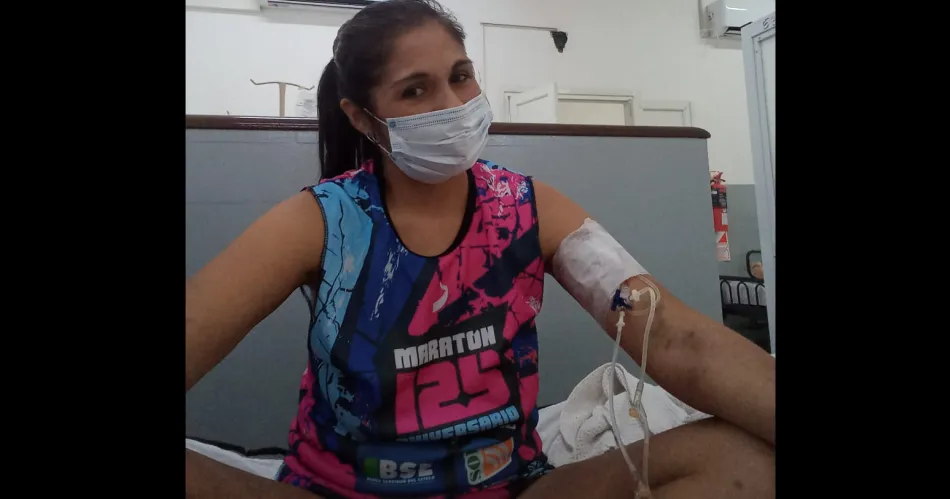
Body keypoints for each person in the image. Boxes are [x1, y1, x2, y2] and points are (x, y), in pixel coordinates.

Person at [184, 1, 775, 498]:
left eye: (461, 76)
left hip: (507, 487)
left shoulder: (530, 208)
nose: (452, 104)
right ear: (362, 118)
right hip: (343, 492)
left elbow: (670, 335)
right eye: (416, 89)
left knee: (743, 459)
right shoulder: (320, 221)